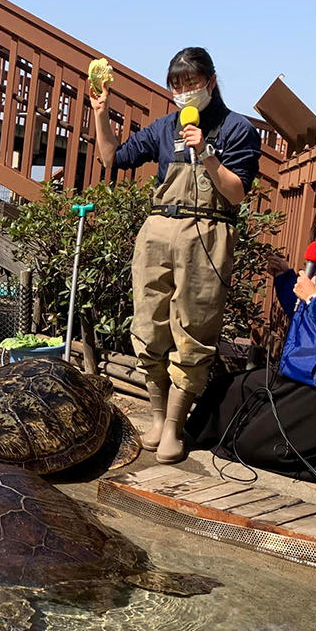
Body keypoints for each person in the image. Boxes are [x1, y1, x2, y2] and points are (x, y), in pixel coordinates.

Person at [91, 47, 261, 463]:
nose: (185, 92)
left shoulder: (238, 129)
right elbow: (113, 157)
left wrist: (205, 151)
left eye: (192, 83)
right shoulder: (164, 128)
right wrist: (100, 111)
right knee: (149, 323)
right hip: (159, 230)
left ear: (212, 82)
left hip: (207, 231)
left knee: (194, 327)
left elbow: (236, 193)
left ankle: (174, 425)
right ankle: (155, 416)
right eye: (177, 85)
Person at [185, 172, 316, 485]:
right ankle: (181, 436)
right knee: (226, 392)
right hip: (295, 369)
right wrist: (285, 279)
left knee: (250, 446)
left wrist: (315, 298)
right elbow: (302, 311)